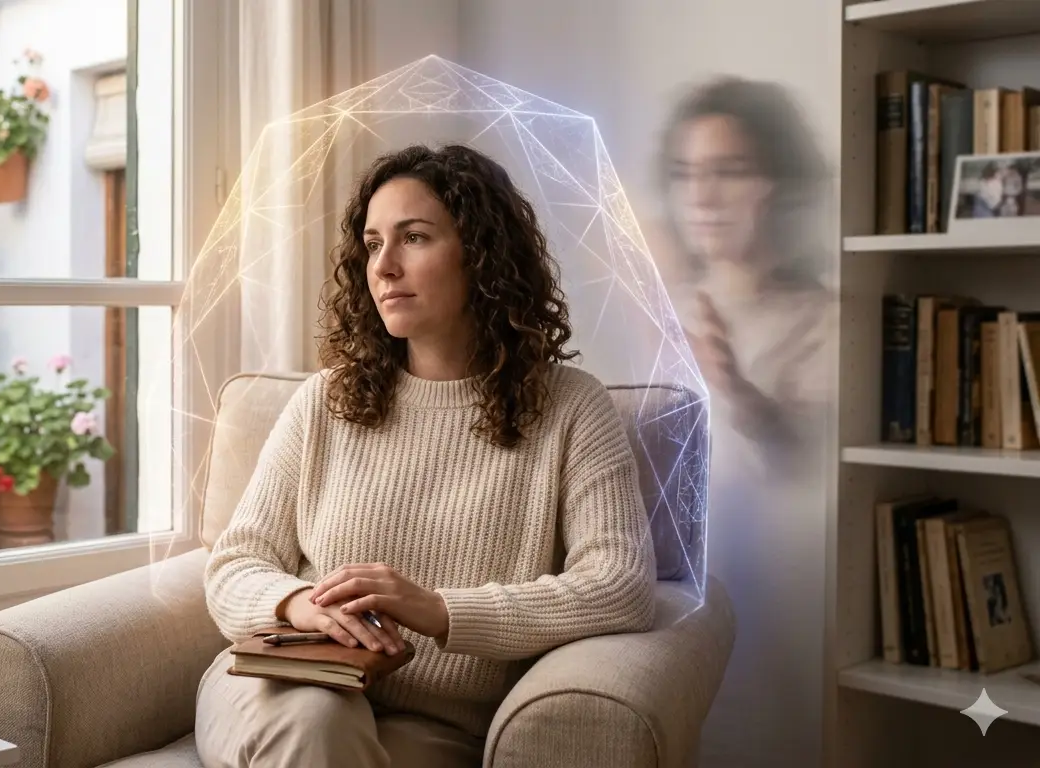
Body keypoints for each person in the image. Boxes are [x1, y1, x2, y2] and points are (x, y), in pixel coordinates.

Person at [195, 143, 657, 768]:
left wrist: (441, 612)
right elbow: (236, 562)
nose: (383, 266)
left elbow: (619, 585)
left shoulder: (572, 409)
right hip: (281, 686)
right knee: (316, 721)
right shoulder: (324, 401)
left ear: (483, 256)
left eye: (413, 237)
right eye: (373, 242)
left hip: (430, 724)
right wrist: (301, 607)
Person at [655, 75, 835, 461]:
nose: (701, 197)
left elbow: (812, 476)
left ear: (782, 184)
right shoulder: (663, 307)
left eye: (729, 172)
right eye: (684, 174)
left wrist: (736, 393)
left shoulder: (827, 323)